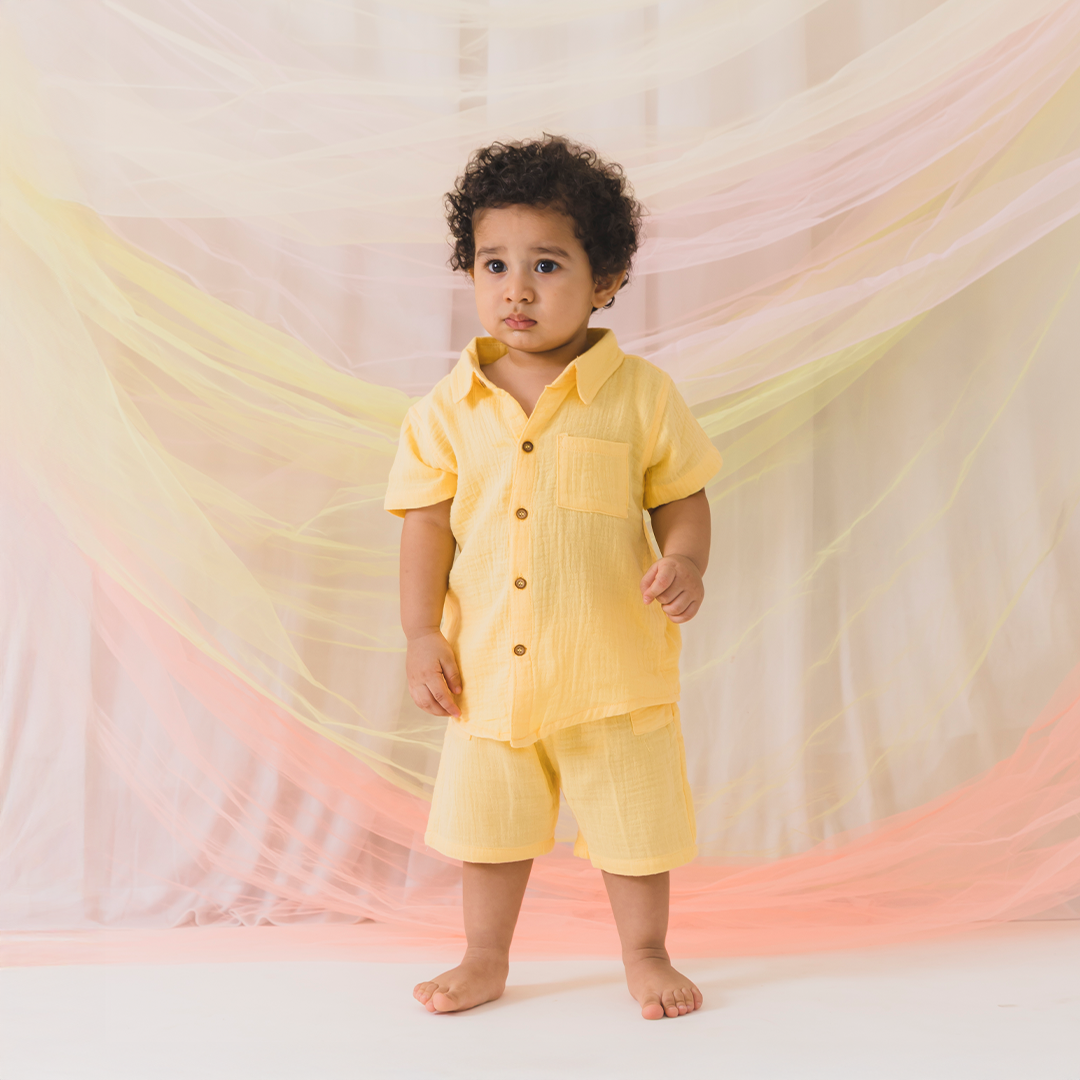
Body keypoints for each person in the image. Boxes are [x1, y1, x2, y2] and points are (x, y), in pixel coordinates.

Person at [384, 135, 722, 1019]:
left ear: (605, 279)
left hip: (613, 669)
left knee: (636, 829)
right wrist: (424, 633)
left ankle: (646, 953)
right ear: (470, 272)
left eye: (547, 264)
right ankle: (485, 956)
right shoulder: (445, 410)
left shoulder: (643, 396)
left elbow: (681, 500)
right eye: (494, 264)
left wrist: (684, 559)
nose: (517, 289)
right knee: (490, 834)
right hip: (491, 671)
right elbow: (426, 529)